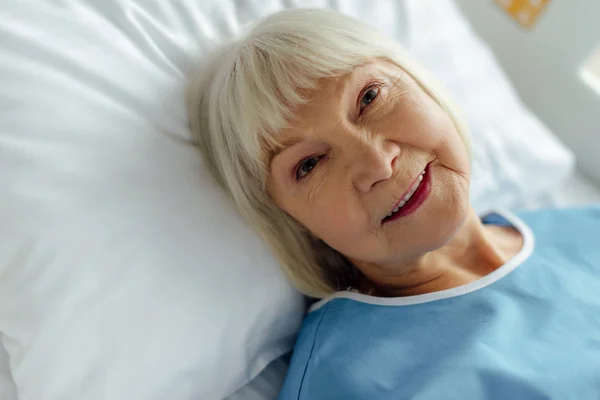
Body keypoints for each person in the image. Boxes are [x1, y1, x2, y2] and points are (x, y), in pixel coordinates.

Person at [187, 8, 600, 400]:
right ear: (288, 220)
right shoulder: (346, 381)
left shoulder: (587, 229)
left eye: (369, 98)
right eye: (309, 164)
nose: (378, 163)